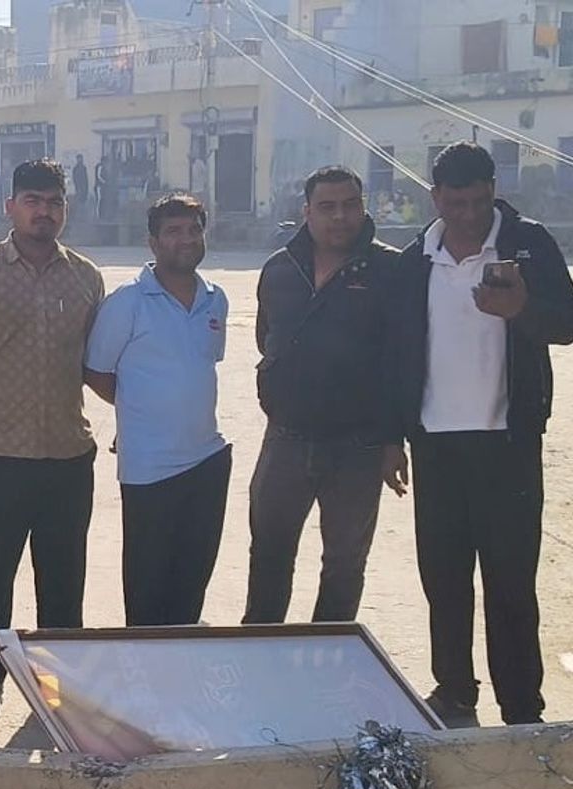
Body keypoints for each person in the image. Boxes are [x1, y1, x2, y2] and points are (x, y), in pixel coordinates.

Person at [382, 142, 573, 727]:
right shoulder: (414, 259)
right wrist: (392, 437)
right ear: (435, 197)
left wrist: (522, 310)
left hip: (508, 443)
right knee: (444, 579)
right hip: (435, 444)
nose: (468, 215)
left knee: (511, 583)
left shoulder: (528, 243)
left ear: (493, 191)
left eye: (478, 202)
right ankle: (454, 692)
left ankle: (522, 707)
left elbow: (567, 323)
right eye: (455, 203)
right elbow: (394, 353)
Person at [0, 159, 104, 722]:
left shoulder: (86, 278)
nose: (43, 212)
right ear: (10, 207)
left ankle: (59, 689)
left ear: (65, 210)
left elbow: (96, 356)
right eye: (32, 201)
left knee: (63, 582)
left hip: (66, 457)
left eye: (53, 203)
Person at [243, 167, 398, 626]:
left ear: (363, 208)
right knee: (269, 552)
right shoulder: (280, 269)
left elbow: (402, 360)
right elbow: (267, 338)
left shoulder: (390, 270)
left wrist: (394, 440)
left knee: (344, 564)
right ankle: (261, 646)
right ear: (306, 212)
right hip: (285, 438)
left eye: (350, 205)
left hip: (358, 445)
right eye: (327, 207)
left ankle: (330, 651)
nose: (339, 217)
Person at [85, 194, 230, 625]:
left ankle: (181, 660)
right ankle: (145, 665)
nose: (186, 239)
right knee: (148, 591)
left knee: (191, 584)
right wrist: (136, 409)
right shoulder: (128, 301)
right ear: (152, 242)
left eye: (194, 230)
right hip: (150, 469)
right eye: (173, 231)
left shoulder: (215, 299)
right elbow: (96, 371)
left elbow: (202, 366)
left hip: (207, 459)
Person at [72, 154, 89, 220]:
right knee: (79, 201)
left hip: (84, 186)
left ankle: (83, 216)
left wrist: (86, 187)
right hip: (79, 186)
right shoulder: (75, 168)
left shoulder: (84, 168)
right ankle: (78, 216)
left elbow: (86, 178)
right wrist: (77, 186)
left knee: (83, 200)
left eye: (81, 158)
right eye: (79, 158)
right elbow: (74, 178)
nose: (80, 160)